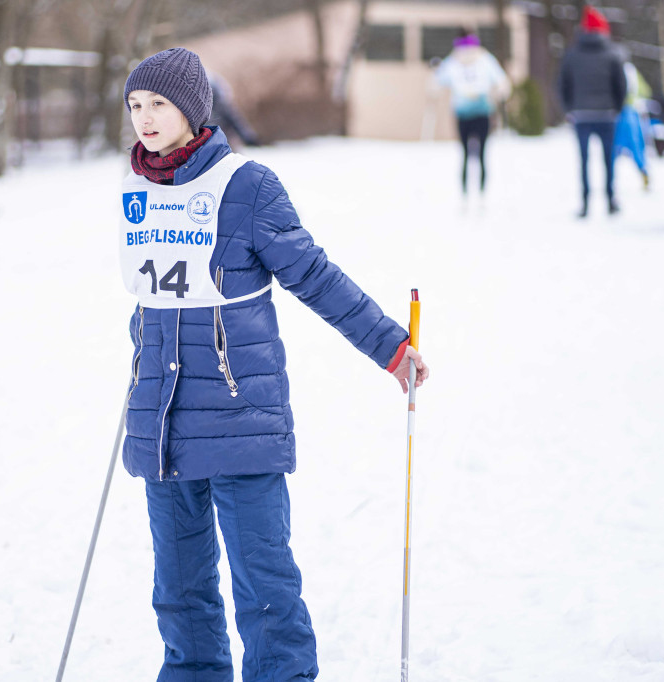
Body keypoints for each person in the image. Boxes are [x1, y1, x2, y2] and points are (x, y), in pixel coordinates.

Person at [118, 47, 429, 681]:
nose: (144, 119)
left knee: (264, 588)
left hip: (240, 420)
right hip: (164, 427)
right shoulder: (138, 191)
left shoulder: (247, 187)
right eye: (135, 106)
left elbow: (311, 274)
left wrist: (388, 346)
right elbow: (152, 299)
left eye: (158, 104)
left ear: (193, 109)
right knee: (178, 592)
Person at [559, 6, 627, 217]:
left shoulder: (571, 54)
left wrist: (570, 108)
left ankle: (585, 202)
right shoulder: (613, 54)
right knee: (608, 159)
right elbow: (621, 85)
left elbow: (561, 85)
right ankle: (610, 200)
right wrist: (617, 108)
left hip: (581, 115)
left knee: (584, 160)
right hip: (607, 114)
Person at [434, 29, 510, 196]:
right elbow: (502, 82)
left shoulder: (454, 60)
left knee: (466, 155)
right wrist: (499, 94)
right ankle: (480, 191)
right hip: (482, 111)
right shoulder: (484, 58)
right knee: (481, 154)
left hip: (464, 113)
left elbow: (437, 81)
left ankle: (466, 192)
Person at [613, 59, 651, 189]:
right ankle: (643, 172)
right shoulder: (630, 69)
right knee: (636, 146)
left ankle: (610, 180)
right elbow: (646, 91)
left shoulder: (611, 67)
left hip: (616, 113)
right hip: (631, 112)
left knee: (613, 147)